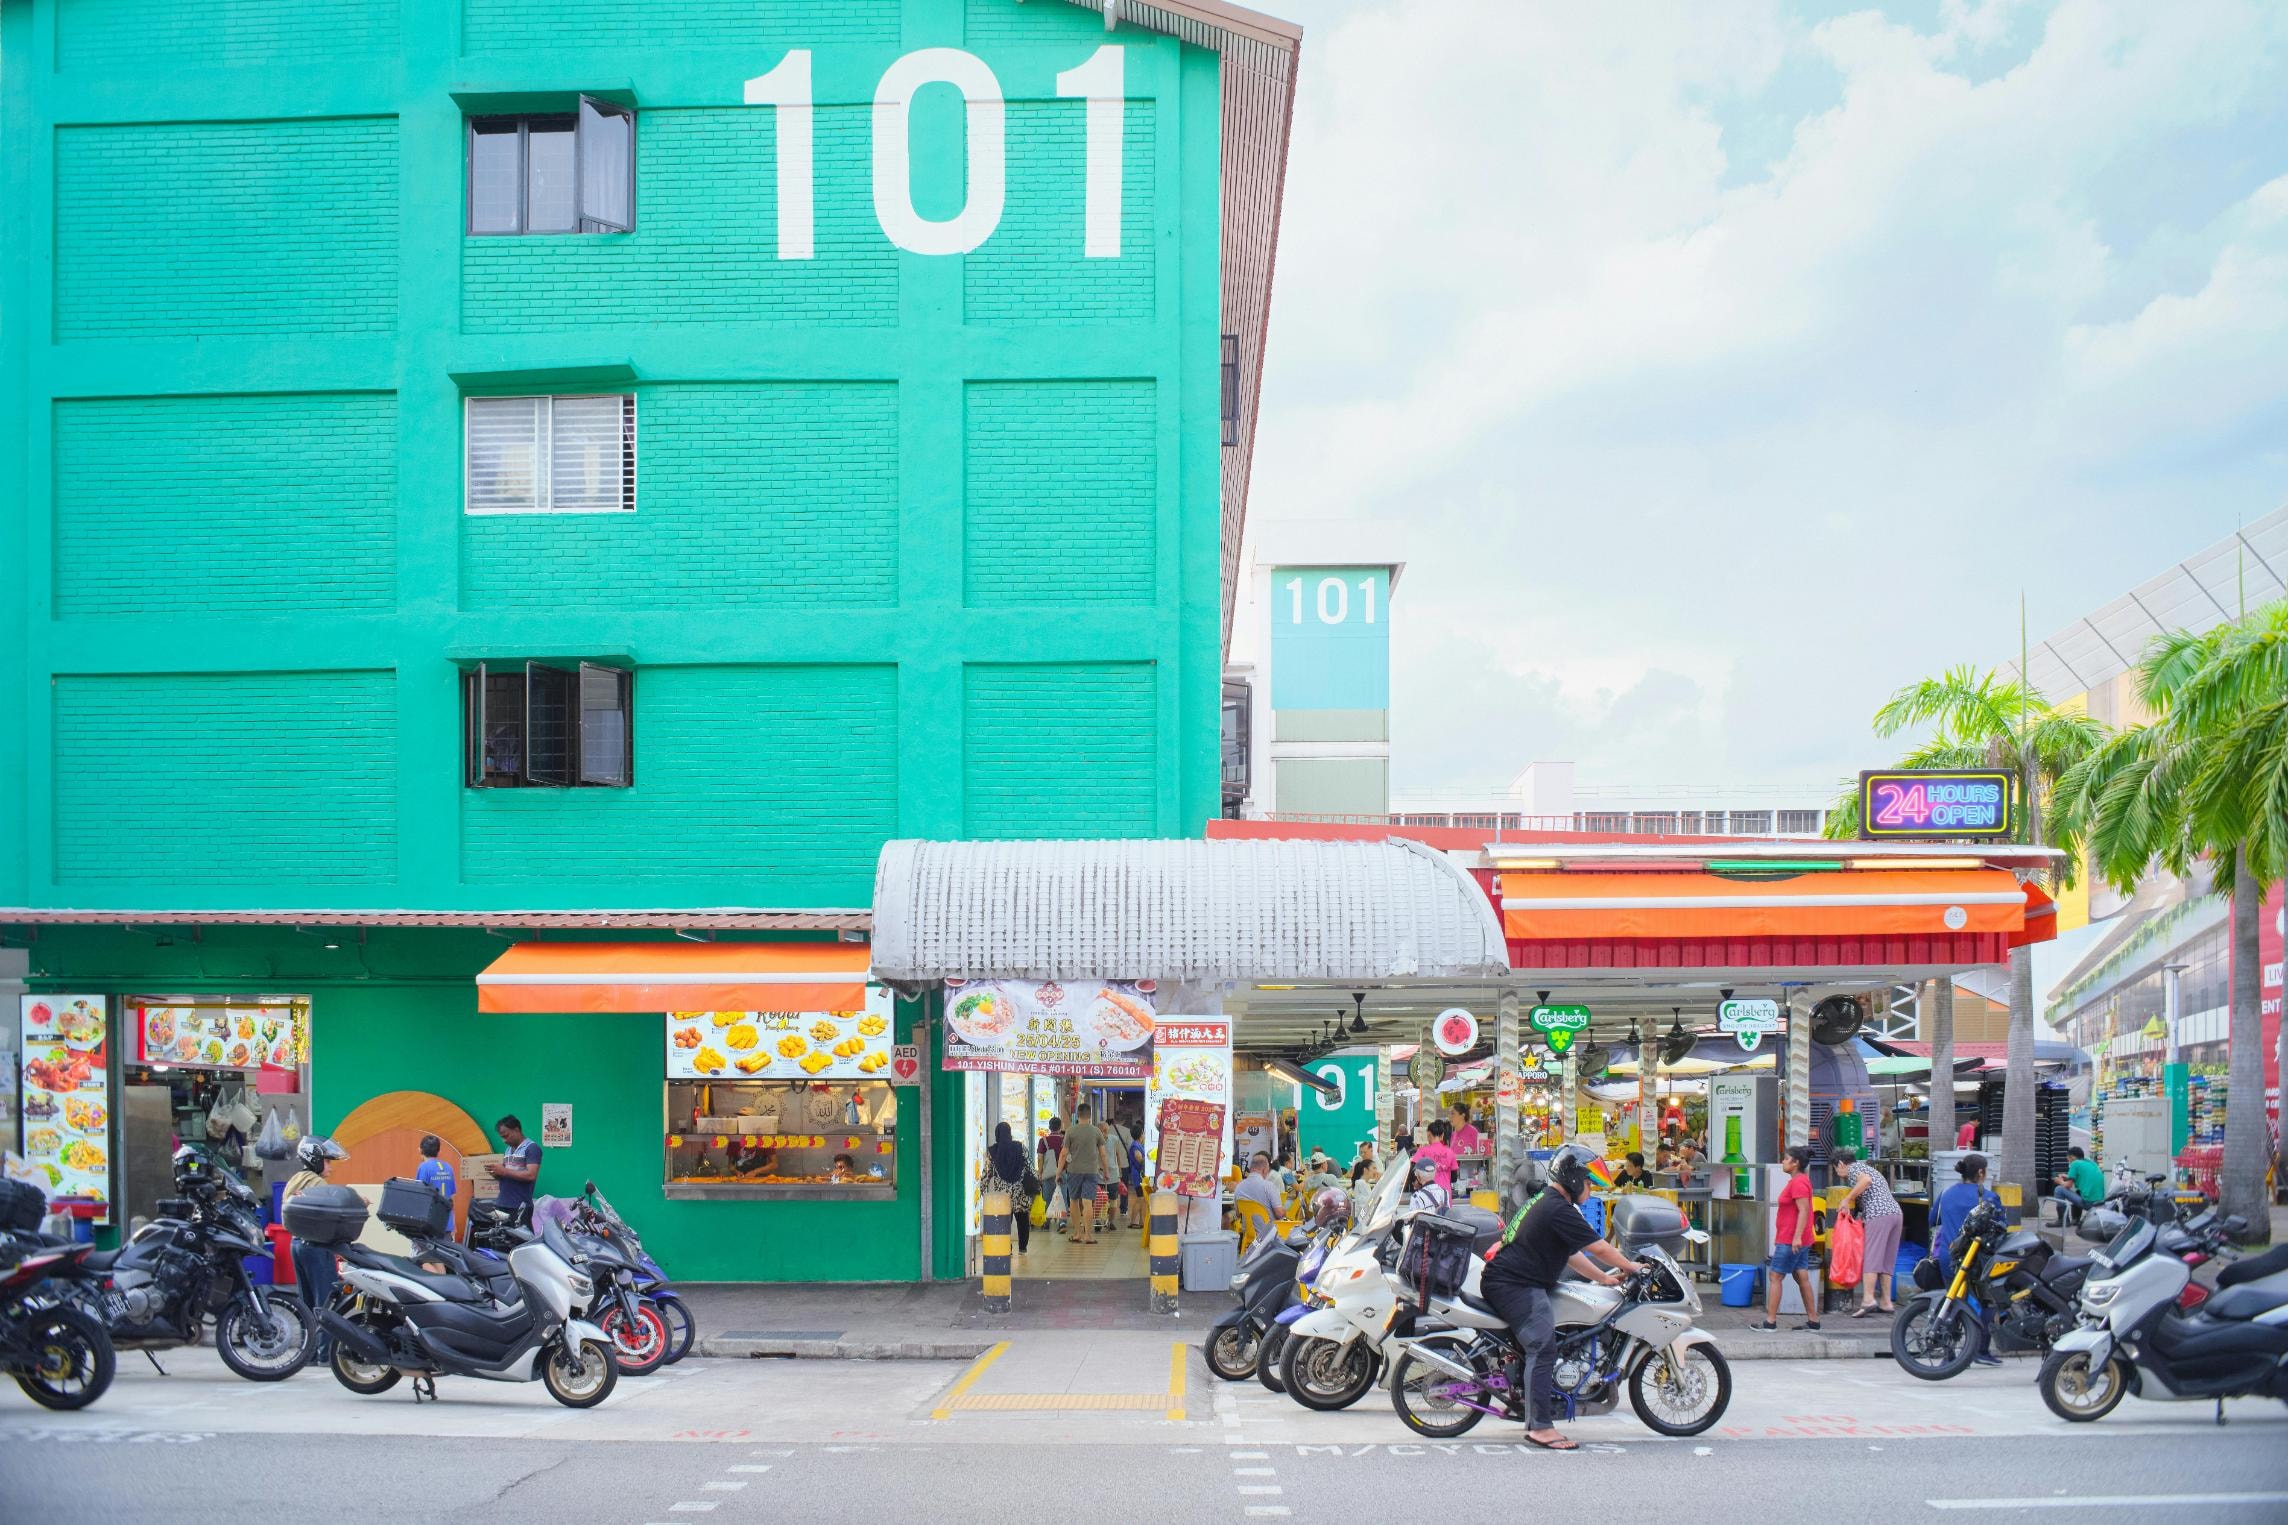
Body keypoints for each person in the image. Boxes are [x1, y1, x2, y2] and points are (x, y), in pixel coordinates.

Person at [1481, 1150, 1645, 1451]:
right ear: (1573, 1179)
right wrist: (1631, 1266)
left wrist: (1604, 1278)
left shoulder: (1550, 1202)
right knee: (1543, 1346)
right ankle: (1540, 1427)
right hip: (1514, 1284)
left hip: (1517, 1280)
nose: (1590, 1188)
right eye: (1588, 1181)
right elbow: (1598, 1246)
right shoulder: (1558, 1208)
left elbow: (1572, 1253)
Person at [1933, 1153, 2005, 1367]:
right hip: (1978, 1260)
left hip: (1949, 1257)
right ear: (1981, 1173)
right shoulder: (1989, 1197)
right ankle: (1980, 1349)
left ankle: (1949, 1354)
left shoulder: (1946, 1193)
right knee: (1988, 1302)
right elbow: (2002, 1227)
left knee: (1953, 1302)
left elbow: (1932, 1220)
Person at [284, 1134, 347, 1357]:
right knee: (325, 1302)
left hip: (296, 1245)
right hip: (316, 1247)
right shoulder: (318, 1183)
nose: (330, 1167)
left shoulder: (295, 1180)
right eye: (328, 1161)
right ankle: (325, 1353)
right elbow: (330, 1216)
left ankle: (307, 1353)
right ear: (316, 1160)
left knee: (306, 1302)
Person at [1753, 1143, 1821, 1333]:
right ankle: (1813, 1320)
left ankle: (1770, 1322)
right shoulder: (1799, 1180)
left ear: (1795, 1162)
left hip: (1791, 1239)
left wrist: (1797, 1237)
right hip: (1798, 1238)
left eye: (1786, 1158)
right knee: (1802, 1276)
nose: (1782, 1161)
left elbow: (1804, 1210)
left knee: (1775, 1276)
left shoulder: (1799, 1182)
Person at [1835, 1146, 1902, 1317]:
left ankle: (1868, 1299)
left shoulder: (1854, 1169)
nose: (1837, 1172)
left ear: (1841, 1163)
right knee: (1887, 1260)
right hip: (1895, 1214)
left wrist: (1847, 1198)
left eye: (1835, 1168)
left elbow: (1866, 1181)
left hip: (1878, 1214)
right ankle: (1886, 1302)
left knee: (1872, 1257)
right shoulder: (1867, 1167)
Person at [985, 1122, 1036, 1253]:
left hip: (1002, 1194)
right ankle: (1023, 1247)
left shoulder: (993, 1151)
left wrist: (981, 1188)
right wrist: (1036, 1183)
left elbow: (987, 1173)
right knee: (1023, 1219)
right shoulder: (1020, 1147)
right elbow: (1030, 1167)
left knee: (1004, 1221)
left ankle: (1007, 1248)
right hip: (1020, 1191)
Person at [1063, 1104, 1106, 1245]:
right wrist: (1106, 1170)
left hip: (1074, 1170)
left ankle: (1077, 1234)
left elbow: (1064, 1153)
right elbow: (1103, 1154)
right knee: (1088, 1202)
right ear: (1090, 1114)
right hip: (1091, 1171)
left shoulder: (1070, 1131)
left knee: (1074, 1201)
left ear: (1078, 1114)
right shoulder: (1096, 1131)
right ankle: (1088, 1235)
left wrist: (1058, 1172)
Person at [488, 1115, 541, 1214]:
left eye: (506, 1136)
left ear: (516, 1130)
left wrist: (503, 1171)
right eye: (502, 1137)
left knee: (520, 1230)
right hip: (503, 1203)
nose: (504, 1140)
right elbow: (508, 1174)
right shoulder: (508, 1149)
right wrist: (496, 1174)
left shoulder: (532, 1148)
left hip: (519, 1206)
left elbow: (531, 1175)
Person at [414, 1134, 458, 1233]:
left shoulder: (424, 1167)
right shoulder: (448, 1167)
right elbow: (451, 1197)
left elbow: (420, 1195)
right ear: (439, 1151)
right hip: (447, 1222)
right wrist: (453, 1223)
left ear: (420, 1150)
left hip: (430, 1223)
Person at [2053, 1145, 2104, 1225]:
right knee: (2078, 1191)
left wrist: (2060, 1181)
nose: (2069, 1163)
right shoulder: (2091, 1163)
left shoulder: (2075, 1164)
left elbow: (2068, 1185)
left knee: (2059, 1189)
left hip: (2089, 1203)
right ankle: (2075, 1220)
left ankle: (2062, 1220)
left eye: (2069, 1161)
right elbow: (2082, 1177)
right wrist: (2067, 1176)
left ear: (2072, 1157)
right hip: (2100, 1203)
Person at [1235, 1152, 1283, 1221]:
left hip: (1247, 1231)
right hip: (1270, 1231)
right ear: (1264, 1170)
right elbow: (1279, 1214)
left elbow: (1238, 1214)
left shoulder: (1239, 1187)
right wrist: (1286, 1212)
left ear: (1251, 1169)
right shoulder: (1269, 1186)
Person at [1415, 1119, 1459, 1191]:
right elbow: (1454, 1178)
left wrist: (1418, 1183)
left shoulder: (1422, 1151)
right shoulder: (1450, 1152)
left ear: (1428, 1134)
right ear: (1442, 1135)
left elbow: (1413, 1169)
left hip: (1428, 1194)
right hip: (1445, 1194)